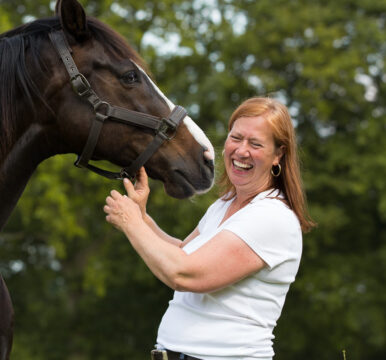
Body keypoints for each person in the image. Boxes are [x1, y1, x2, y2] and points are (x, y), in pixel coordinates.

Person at [103, 97, 315, 360]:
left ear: (278, 155)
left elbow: (185, 274)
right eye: (236, 138)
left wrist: (132, 223)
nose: (241, 151)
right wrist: (143, 218)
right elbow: (183, 252)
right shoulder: (225, 204)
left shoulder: (271, 216)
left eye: (256, 143)